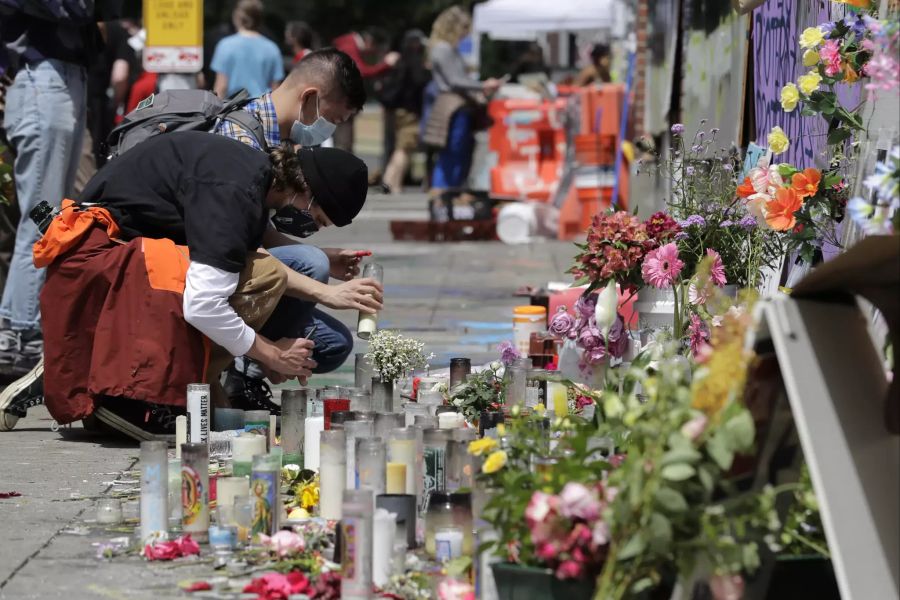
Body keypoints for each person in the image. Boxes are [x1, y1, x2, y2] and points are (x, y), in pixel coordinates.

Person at [0, 131, 379, 437]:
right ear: (304, 191)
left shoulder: (249, 176)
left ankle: (115, 383)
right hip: (100, 270)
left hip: (119, 268)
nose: (310, 227)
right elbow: (203, 304)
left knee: (313, 338)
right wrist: (270, 354)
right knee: (265, 277)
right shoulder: (234, 191)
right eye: (315, 216)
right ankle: (134, 395)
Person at [214, 48, 371, 408]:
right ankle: (243, 369)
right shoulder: (241, 140)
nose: (329, 130)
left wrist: (326, 258)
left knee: (331, 344)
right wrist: (324, 290)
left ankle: (251, 357)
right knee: (309, 264)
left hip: (239, 263)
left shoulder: (277, 138)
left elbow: (255, 229)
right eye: (333, 119)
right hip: (205, 270)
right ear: (310, 99)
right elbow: (233, 244)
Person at [0, 0, 108, 386]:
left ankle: (20, 336)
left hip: (61, 79)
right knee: (42, 218)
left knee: (49, 218)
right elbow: (74, 10)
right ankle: (19, 336)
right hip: (41, 79)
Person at [422, 6, 502, 195]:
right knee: (454, 149)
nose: (466, 33)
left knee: (456, 149)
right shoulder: (443, 49)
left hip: (456, 105)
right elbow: (455, 80)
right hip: (454, 106)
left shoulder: (444, 48)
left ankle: (448, 190)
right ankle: (445, 190)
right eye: (464, 27)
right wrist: (483, 85)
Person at [331, 30, 399, 152]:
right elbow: (361, 71)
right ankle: (341, 168)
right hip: (342, 101)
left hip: (341, 100)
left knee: (345, 139)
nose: (370, 53)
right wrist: (386, 64)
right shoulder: (350, 47)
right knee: (344, 142)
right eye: (374, 49)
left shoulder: (347, 42)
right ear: (369, 42)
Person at [380, 30, 430, 194]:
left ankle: (388, 180)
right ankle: (394, 184)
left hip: (397, 110)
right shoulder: (414, 61)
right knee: (405, 149)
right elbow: (419, 81)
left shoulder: (400, 60)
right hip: (410, 111)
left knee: (400, 148)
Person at [210, 0, 284, 98]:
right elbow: (276, 90)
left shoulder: (225, 45)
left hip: (234, 110)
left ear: (237, 17)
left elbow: (221, 87)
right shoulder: (272, 48)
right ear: (260, 19)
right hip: (262, 109)